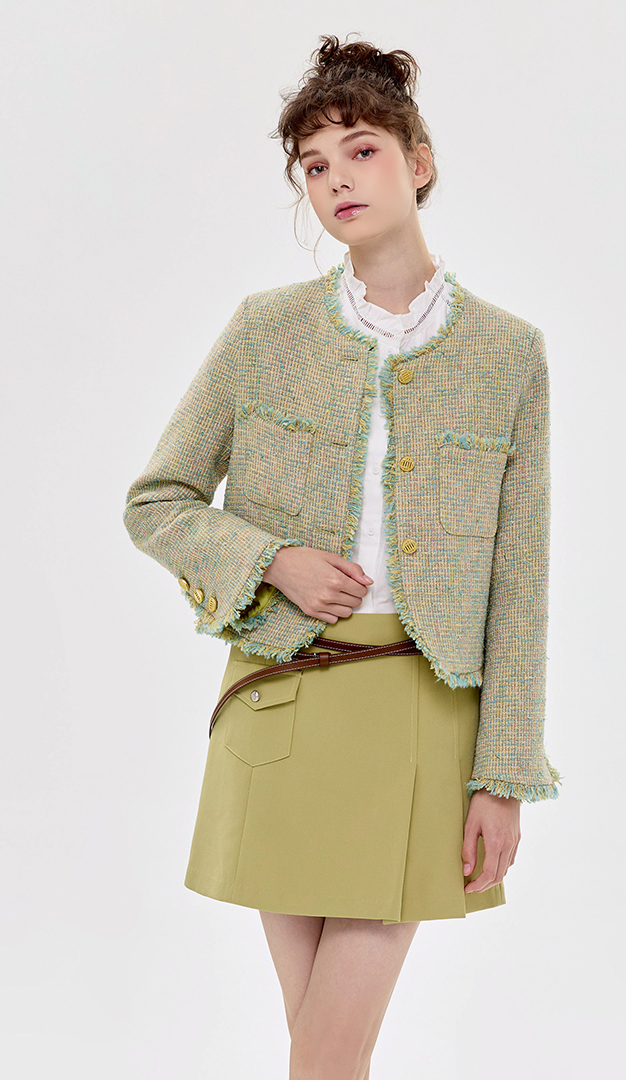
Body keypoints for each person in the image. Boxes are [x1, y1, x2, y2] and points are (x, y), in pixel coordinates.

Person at [123, 32, 562, 1080]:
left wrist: (504, 774)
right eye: (314, 166)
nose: (336, 181)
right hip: (279, 707)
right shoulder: (264, 332)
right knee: (325, 1055)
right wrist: (273, 558)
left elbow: (522, 582)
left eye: (361, 151)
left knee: (324, 1054)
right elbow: (157, 502)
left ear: (419, 161)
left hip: (422, 718)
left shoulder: (508, 353)